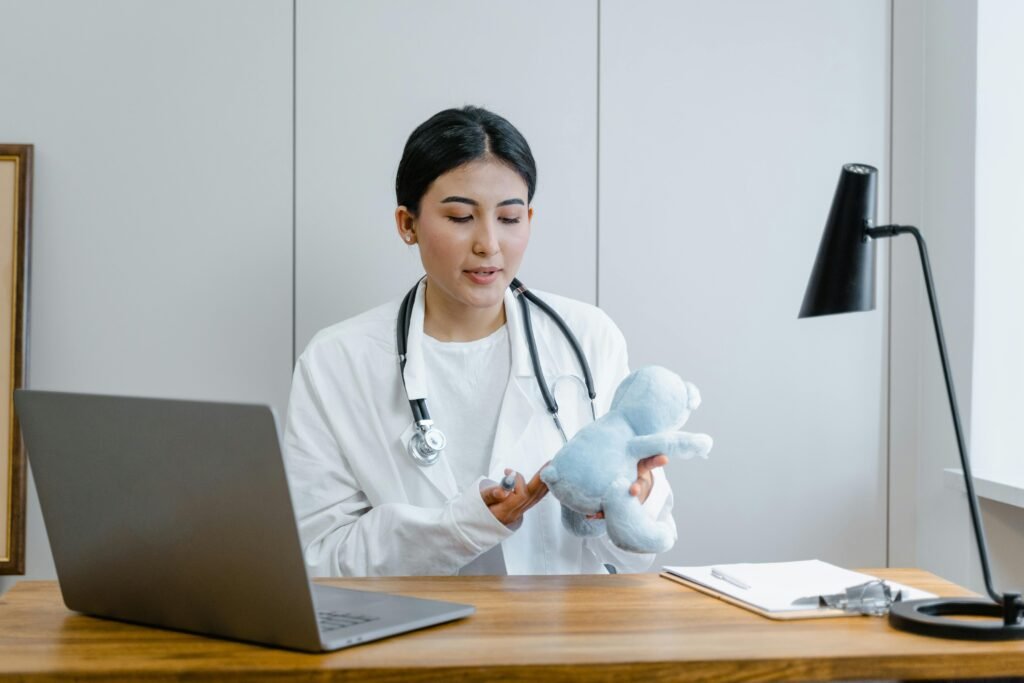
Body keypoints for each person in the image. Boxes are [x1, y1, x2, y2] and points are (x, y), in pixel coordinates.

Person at [283, 106, 675, 577]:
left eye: (509, 219)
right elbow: (318, 558)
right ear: (407, 224)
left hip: (557, 641)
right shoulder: (336, 362)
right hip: (407, 644)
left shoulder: (589, 338)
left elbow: (639, 556)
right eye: (461, 216)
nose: (488, 243)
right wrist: (460, 529)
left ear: (528, 218)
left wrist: (633, 501)